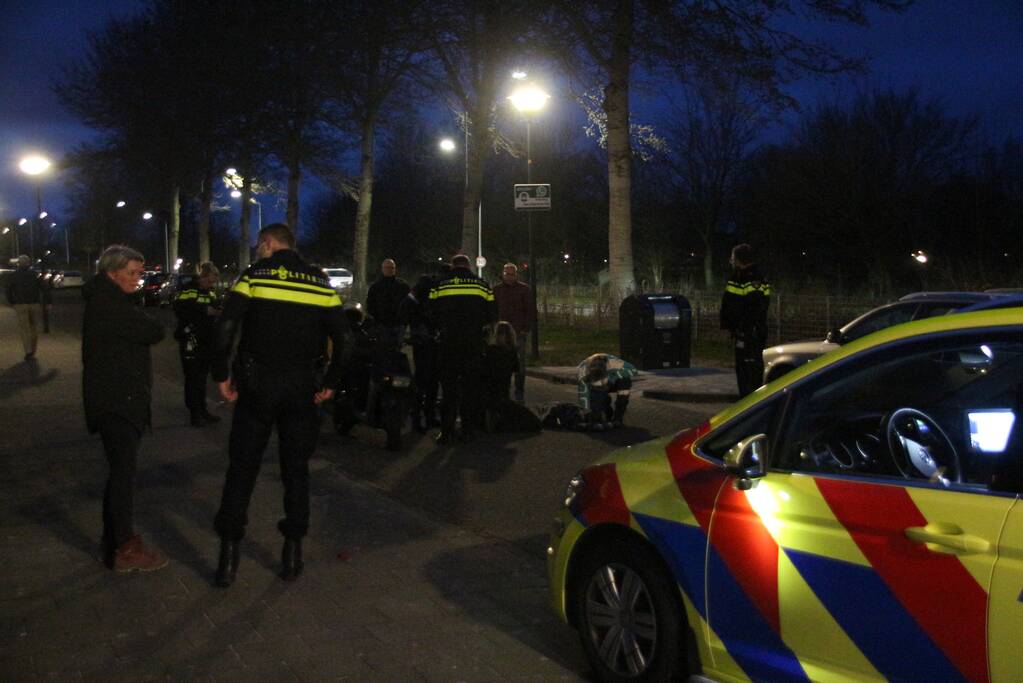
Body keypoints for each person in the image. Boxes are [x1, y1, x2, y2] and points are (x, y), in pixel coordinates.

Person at [211, 224, 349, 587]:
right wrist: (330, 384)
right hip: (301, 387)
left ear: (268, 243)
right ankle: (292, 552)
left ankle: (228, 555)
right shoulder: (320, 283)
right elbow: (346, 340)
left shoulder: (254, 275)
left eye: (260, 245)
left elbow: (226, 328)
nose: (258, 251)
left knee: (242, 468)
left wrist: (222, 373)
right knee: (296, 469)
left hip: (257, 386)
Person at [82, 245, 168, 572]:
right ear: (111, 273)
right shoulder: (111, 304)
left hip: (115, 397)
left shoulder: (108, 300)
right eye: (132, 273)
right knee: (123, 476)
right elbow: (153, 330)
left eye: (139, 273)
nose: (137, 279)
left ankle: (113, 544)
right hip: (118, 400)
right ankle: (124, 547)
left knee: (120, 473)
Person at [428, 254, 497, 444]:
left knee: (449, 389)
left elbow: (430, 311)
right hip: (473, 344)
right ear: (468, 266)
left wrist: (442, 326)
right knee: (470, 389)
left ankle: (446, 432)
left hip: (448, 343)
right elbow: (493, 314)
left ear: (452, 265)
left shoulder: (440, 284)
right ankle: (468, 431)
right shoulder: (481, 284)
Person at [173, 262, 222, 427]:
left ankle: (202, 409)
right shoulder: (188, 289)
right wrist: (205, 311)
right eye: (209, 281)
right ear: (202, 277)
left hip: (206, 339)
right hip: (191, 339)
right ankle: (195, 413)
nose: (211, 285)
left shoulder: (211, 291)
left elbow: (215, 307)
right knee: (193, 376)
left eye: (213, 282)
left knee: (202, 376)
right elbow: (180, 310)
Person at [720, 243, 771, 398]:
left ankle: (748, 405)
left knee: (747, 370)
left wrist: (739, 328)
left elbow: (746, 307)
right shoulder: (755, 276)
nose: (731, 260)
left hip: (747, 333)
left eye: (733, 257)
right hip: (751, 331)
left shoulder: (745, 277)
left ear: (739, 259)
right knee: (750, 367)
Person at [399, 275, 440, 432]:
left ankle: (417, 418)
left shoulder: (417, 293)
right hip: (431, 340)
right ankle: (428, 417)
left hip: (420, 341)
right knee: (432, 380)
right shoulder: (436, 288)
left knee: (421, 380)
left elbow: (403, 311)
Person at [493, 263, 532, 402]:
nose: (509, 277)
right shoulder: (497, 290)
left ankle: (519, 393)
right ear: (503, 274)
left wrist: (525, 328)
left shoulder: (524, 290)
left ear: (516, 275)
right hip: (501, 333)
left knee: (520, 364)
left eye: (512, 274)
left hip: (518, 331)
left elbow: (529, 310)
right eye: (507, 274)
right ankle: (503, 392)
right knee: (502, 363)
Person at [577, 353, 638, 428]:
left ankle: (618, 417)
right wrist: (585, 411)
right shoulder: (582, 372)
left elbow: (634, 370)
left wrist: (612, 378)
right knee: (596, 399)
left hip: (614, 381)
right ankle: (605, 410)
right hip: (598, 383)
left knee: (625, 381)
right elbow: (583, 395)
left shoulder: (615, 364)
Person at [366, 258, 409, 345]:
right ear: (382, 269)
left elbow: (408, 303)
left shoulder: (403, 285)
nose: (390, 270)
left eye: (392, 268)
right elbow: (370, 304)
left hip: (398, 324)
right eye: (387, 268)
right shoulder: (376, 286)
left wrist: (405, 320)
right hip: (382, 324)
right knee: (384, 349)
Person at [6, 255, 41, 360]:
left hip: (20, 304)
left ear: (19, 263)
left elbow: (8, 290)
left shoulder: (14, 275)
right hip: (34, 303)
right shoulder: (34, 274)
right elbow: (43, 287)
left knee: (24, 328)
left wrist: (12, 302)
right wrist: (47, 301)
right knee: (34, 327)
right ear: (29, 263)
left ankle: (28, 351)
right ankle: (34, 348)